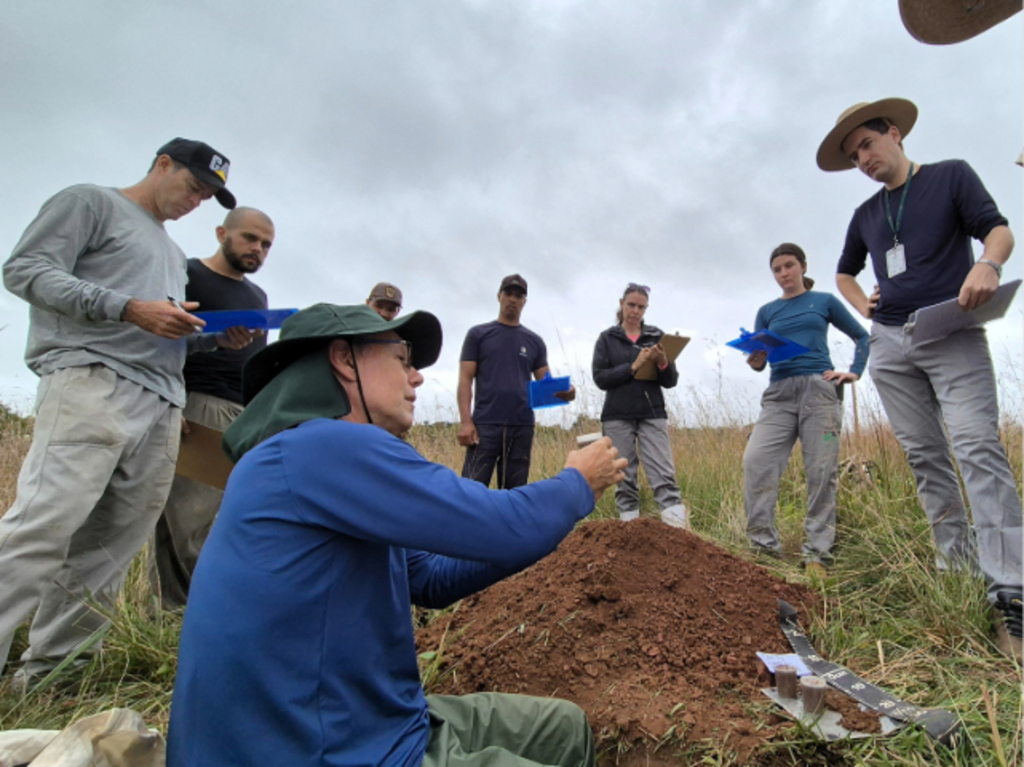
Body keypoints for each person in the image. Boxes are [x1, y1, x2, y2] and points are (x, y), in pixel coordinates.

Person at [166, 303, 626, 767]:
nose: (417, 377)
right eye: (402, 359)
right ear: (344, 360)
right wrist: (575, 484)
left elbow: (430, 577)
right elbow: (502, 525)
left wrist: (544, 528)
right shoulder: (320, 446)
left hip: (372, 723)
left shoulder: (313, 460)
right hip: (315, 750)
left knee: (565, 727)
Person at [0, 138, 237, 679]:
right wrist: (128, 307)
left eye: (205, 198)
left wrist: (211, 339)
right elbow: (25, 269)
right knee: (43, 526)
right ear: (162, 165)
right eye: (193, 187)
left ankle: (55, 674)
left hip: (161, 401)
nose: (195, 202)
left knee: (110, 546)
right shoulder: (91, 202)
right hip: (93, 383)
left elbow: (158, 332)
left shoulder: (173, 254)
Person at [819, 98, 1022, 659]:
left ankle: (1011, 591)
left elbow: (998, 231)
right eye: (853, 155)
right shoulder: (865, 214)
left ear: (894, 133)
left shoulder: (950, 176)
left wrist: (988, 264)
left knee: (977, 447)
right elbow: (844, 271)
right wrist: (862, 303)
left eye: (866, 144)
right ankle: (955, 570)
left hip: (951, 328)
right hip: (889, 343)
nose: (863, 159)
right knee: (926, 457)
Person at [150, 206, 275, 609]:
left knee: (215, 522)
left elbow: (254, 362)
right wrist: (170, 404)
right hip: (197, 404)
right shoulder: (186, 274)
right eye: (250, 238)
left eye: (266, 244)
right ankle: (191, 616)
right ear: (222, 233)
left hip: (242, 413)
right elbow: (160, 342)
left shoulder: (257, 297)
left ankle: (174, 621)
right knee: (188, 522)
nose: (258, 249)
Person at [742, 244, 869, 576]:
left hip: (819, 390)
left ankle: (817, 554)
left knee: (821, 472)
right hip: (779, 394)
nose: (784, 273)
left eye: (789, 265)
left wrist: (854, 372)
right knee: (756, 462)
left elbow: (862, 336)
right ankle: (764, 549)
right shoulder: (767, 311)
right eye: (777, 269)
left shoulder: (824, 301)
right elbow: (759, 361)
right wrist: (755, 359)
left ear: (803, 266)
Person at [458, 274, 575, 489]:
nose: (512, 299)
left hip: (521, 426)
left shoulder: (534, 341)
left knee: (515, 492)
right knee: (471, 490)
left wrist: (568, 392)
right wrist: (466, 423)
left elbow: (546, 383)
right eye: (508, 294)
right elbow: (465, 380)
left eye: (518, 296)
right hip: (485, 425)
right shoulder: (478, 335)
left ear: (524, 301)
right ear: (499, 296)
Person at [592, 283, 687, 527]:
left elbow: (671, 381)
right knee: (624, 477)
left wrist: (663, 362)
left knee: (663, 474)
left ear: (646, 309)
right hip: (617, 414)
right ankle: (629, 534)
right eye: (631, 305)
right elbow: (600, 378)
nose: (635, 311)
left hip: (652, 412)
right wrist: (633, 366)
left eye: (641, 307)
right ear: (621, 304)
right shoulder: (607, 338)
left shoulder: (657, 336)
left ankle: (678, 535)